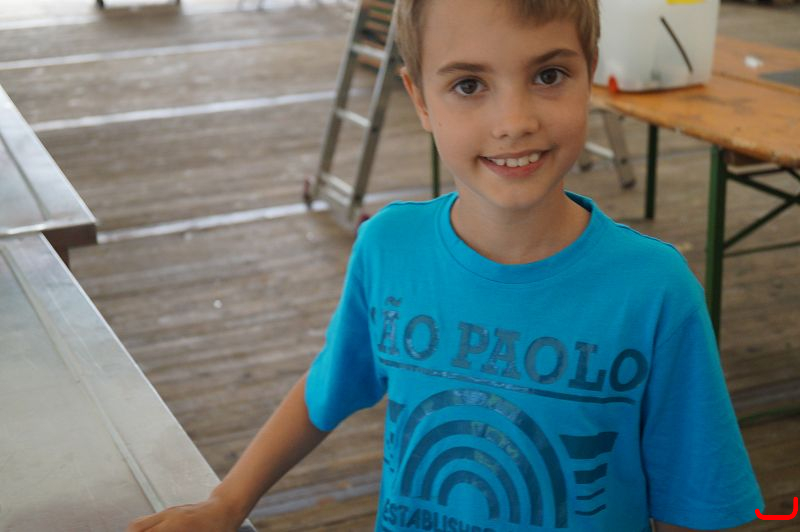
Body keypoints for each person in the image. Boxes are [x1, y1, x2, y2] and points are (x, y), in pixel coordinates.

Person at [127, 1, 764, 530]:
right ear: (420, 100)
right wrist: (227, 503)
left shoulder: (655, 290)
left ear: (589, 74)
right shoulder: (387, 247)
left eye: (548, 75)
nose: (514, 122)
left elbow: (698, 504)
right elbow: (326, 389)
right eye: (468, 85)